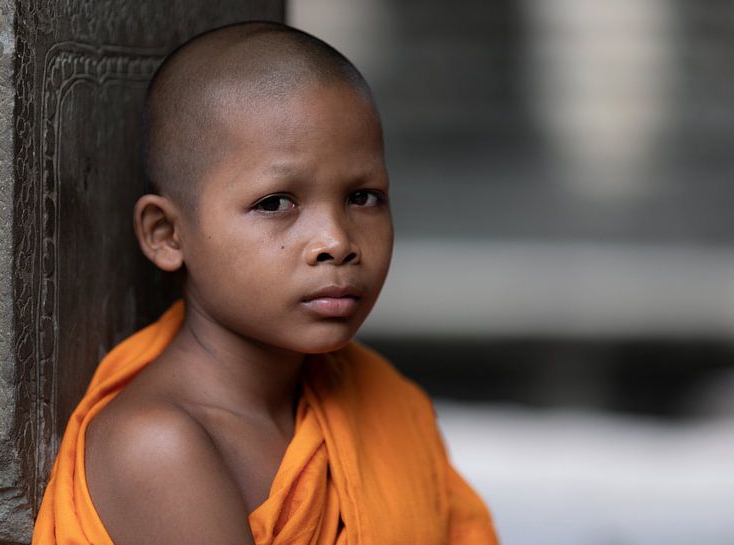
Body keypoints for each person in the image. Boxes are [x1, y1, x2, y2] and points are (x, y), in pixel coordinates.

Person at [32, 21, 498, 545]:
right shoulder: (158, 446)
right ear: (167, 235)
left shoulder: (382, 402)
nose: (336, 241)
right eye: (275, 203)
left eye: (363, 197)